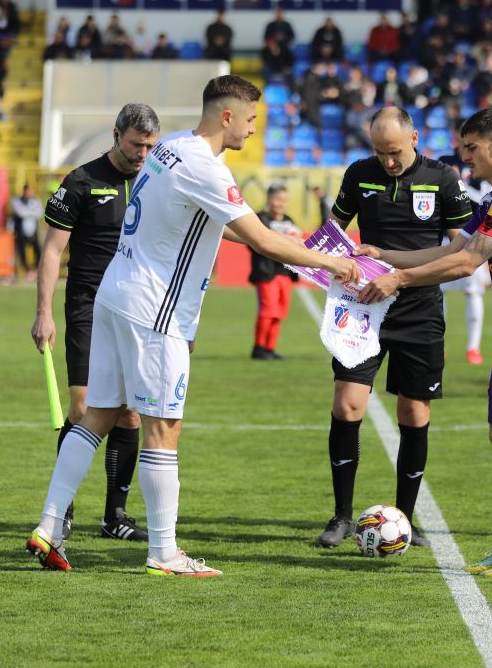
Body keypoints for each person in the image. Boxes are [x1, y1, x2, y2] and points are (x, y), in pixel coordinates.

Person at [25, 79, 360, 575]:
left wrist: (275, 238)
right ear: (226, 117)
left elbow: (213, 221)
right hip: (154, 310)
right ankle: (164, 553)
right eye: (249, 119)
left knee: (97, 414)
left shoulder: (170, 148)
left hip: (115, 295)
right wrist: (333, 264)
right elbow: (263, 242)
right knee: (164, 426)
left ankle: (49, 526)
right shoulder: (204, 165)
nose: (252, 127)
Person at [358, 108, 492, 578]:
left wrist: (400, 281)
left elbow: (467, 262)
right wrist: (384, 256)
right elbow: (450, 248)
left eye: (470, 147)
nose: (463, 156)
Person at [316, 107, 474, 549]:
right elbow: (334, 229)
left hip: (420, 308)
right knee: (348, 406)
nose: (387, 161)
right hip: (365, 306)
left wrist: (399, 270)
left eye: (395, 152)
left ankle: (405, 518)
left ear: (415, 138)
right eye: (380, 152)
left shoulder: (442, 179)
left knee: (413, 413)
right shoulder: (359, 174)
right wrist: (321, 257)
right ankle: (342, 516)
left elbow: (460, 247)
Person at [31, 105, 163, 544]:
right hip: (88, 308)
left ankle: (115, 515)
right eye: (135, 144)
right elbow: (52, 252)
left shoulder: (156, 179)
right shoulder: (80, 181)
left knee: (129, 413)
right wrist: (44, 312)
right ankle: (62, 509)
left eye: (149, 145)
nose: (142, 153)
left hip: (137, 311)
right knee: (85, 408)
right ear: (116, 135)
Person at [437, 133, 490, 365]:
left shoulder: (481, 163)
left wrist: (459, 185)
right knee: (439, 292)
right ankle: (439, 344)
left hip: (472, 238)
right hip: (445, 237)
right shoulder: (443, 161)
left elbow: (487, 197)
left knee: (473, 292)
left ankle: (473, 347)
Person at [249, 184, 301, 360]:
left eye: (284, 200)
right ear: (269, 199)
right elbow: (255, 243)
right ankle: (258, 348)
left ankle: (270, 348)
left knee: (280, 311)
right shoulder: (260, 219)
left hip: (285, 272)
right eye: (277, 200)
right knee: (268, 310)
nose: (280, 204)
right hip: (266, 272)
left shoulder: (289, 220)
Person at [11, 184, 43, 281]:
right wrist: (31, 212)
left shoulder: (35, 201)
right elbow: (21, 213)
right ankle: (27, 272)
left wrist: (28, 212)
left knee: (39, 251)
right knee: (22, 253)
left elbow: (39, 213)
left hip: (33, 231)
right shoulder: (17, 201)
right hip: (21, 232)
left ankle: (36, 271)